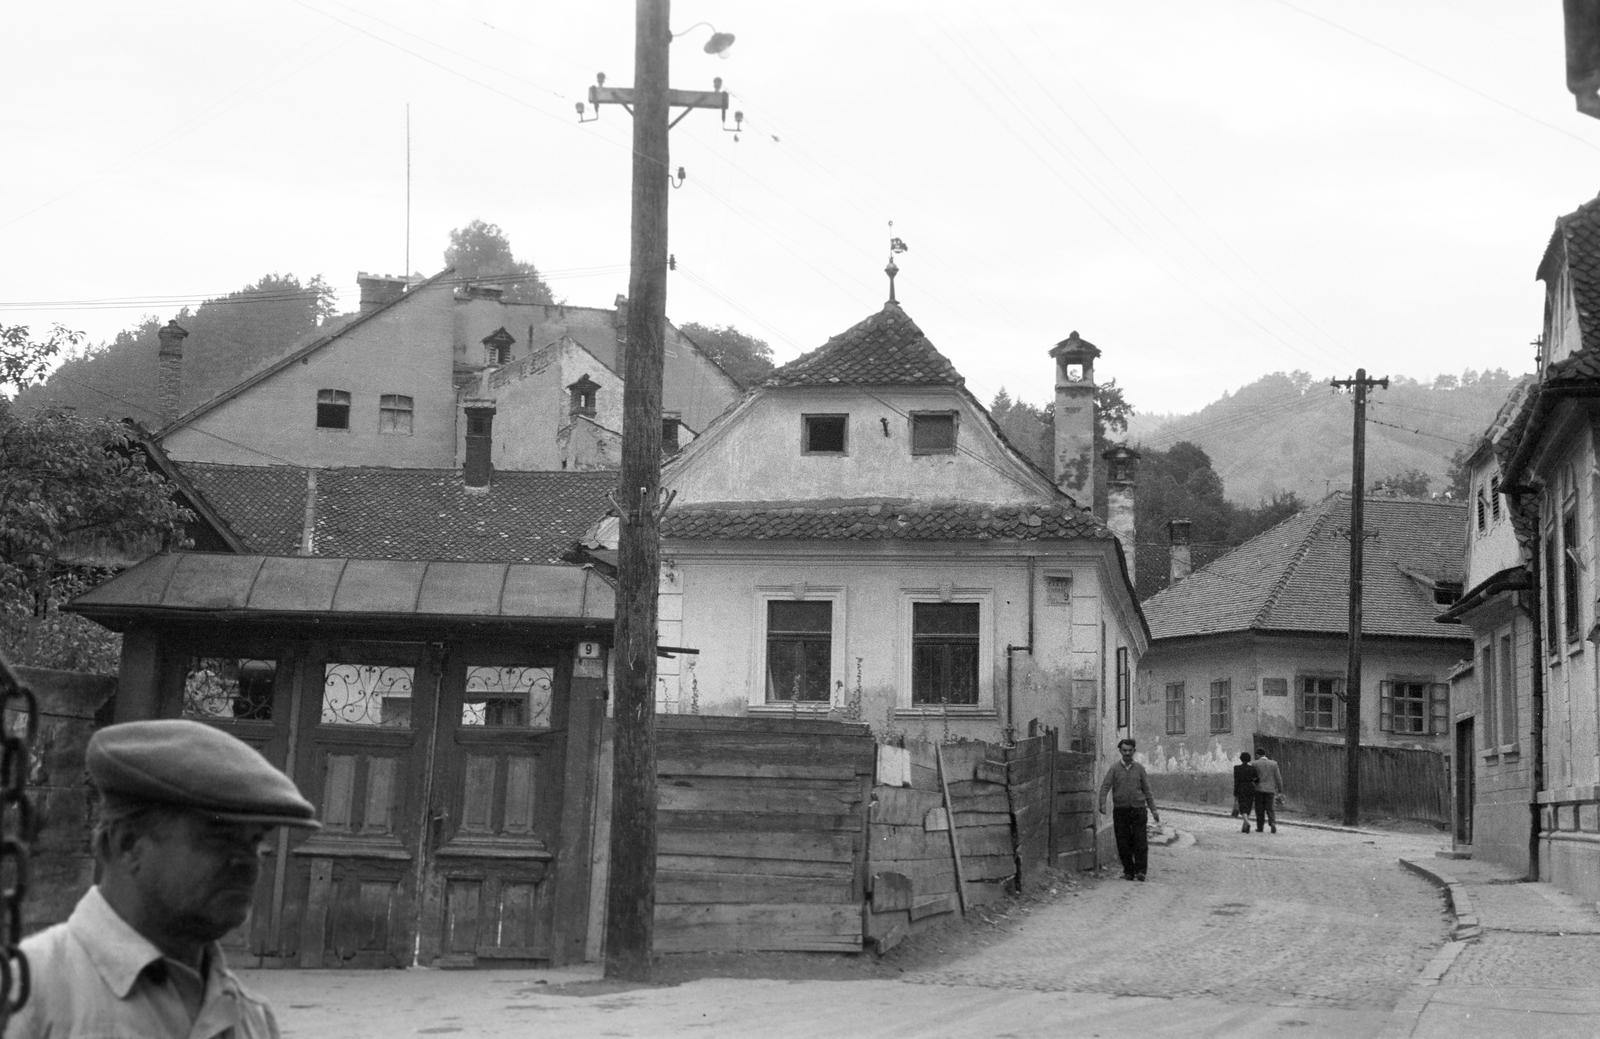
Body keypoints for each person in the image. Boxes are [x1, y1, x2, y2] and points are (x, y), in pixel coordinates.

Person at [10, 719, 320, 1038]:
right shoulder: (27, 994)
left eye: (254, 841)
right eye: (219, 837)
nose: (246, 862)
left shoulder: (251, 1016)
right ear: (127, 844)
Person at [1098, 737, 1161, 881]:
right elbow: (1105, 786)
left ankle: (1141, 871)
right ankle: (1128, 871)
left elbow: (1147, 790)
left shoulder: (1139, 769)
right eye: (1124, 750)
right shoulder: (1114, 769)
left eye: (1129, 751)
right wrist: (1102, 803)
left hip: (1138, 810)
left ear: (1134, 751)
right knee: (1123, 842)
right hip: (1121, 811)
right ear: (1120, 751)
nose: (1127, 753)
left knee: (1140, 841)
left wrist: (1154, 810)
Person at [1252, 747, 1284, 833]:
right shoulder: (1273, 764)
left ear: (1257, 755)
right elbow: (1278, 778)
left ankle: (1260, 827)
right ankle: (1272, 823)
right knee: (1270, 808)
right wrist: (1280, 790)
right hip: (1270, 790)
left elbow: (1253, 777)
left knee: (1259, 809)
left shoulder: (1254, 764)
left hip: (1259, 789)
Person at [1232, 751, 1258, 833]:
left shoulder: (1236, 768)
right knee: (1248, 806)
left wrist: (1235, 792)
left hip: (1241, 788)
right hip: (1250, 788)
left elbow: (1236, 781)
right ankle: (1244, 827)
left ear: (1241, 759)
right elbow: (1257, 779)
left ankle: (1247, 823)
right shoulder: (1252, 768)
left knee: (1242, 806)